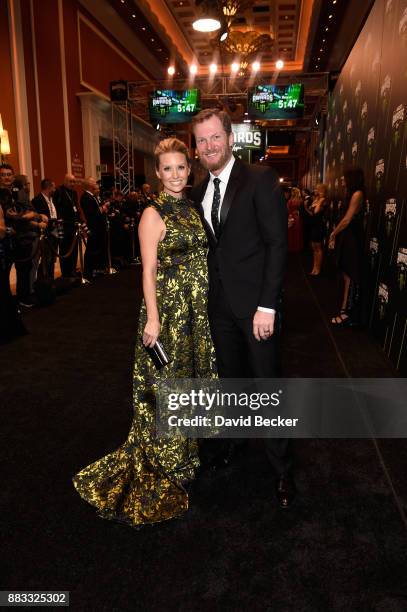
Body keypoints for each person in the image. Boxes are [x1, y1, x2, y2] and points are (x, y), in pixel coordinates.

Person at [73, 138, 216, 526]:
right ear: (157, 173)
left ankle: (185, 452)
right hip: (167, 313)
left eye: (181, 168)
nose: (174, 175)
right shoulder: (153, 214)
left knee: (186, 378)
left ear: (190, 170)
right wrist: (152, 318)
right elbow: (148, 271)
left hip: (193, 314)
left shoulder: (191, 207)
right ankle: (166, 458)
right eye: (167, 169)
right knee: (167, 382)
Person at [190, 108, 294, 508]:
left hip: (256, 309)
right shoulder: (199, 191)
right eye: (202, 140)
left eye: (215, 137)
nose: (210, 146)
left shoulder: (259, 179)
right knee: (231, 382)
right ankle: (234, 443)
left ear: (230, 138)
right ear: (196, 148)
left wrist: (268, 304)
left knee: (268, 385)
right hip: (220, 309)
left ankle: (283, 470)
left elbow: (276, 244)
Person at [328, 168, 365, 326]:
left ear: (352, 178)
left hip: (352, 239)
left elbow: (347, 220)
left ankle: (347, 314)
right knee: (345, 275)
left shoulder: (357, 194)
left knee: (350, 275)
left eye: (344, 178)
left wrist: (333, 234)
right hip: (347, 237)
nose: (342, 180)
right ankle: (345, 310)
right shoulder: (351, 194)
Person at [80, 177, 108, 280]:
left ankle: (97, 270)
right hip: (93, 227)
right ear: (89, 185)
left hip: (99, 227)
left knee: (98, 249)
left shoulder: (93, 196)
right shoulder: (86, 197)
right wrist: (102, 208)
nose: (96, 185)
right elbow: (91, 214)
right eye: (94, 183)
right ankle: (89, 272)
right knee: (92, 250)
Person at [54, 174, 80, 279]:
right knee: (65, 250)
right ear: (65, 181)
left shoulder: (74, 193)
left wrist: (79, 220)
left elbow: (76, 207)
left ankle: (73, 269)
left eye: (74, 182)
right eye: (70, 181)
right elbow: (56, 207)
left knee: (74, 250)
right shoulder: (59, 191)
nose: (72, 184)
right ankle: (65, 273)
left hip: (74, 225)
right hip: (64, 226)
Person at [32, 179, 58, 281]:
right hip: (45, 234)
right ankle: (44, 282)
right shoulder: (37, 200)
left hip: (54, 233)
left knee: (51, 260)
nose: (55, 189)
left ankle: (51, 280)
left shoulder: (52, 199)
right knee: (46, 261)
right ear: (49, 187)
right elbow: (37, 218)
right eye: (54, 187)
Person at [307, 183, 327, 275]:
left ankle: (318, 269)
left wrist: (318, 200)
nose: (315, 190)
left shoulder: (323, 200)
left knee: (318, 248)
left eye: (317, 189)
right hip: (313, 225)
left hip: (319, 226)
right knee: (314, 247)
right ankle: (314, 267)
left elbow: (316, 211)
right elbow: (311, 212)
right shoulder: (316, 199)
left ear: (321, 190)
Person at [287, 187, 303, 252]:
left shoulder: (290, 200)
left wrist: (289, 215)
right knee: (297, 232)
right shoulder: (300, 200)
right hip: (297, 218)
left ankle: (291, 246)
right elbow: (301, 210)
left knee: (291, 232)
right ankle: (297, 246)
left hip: (291, 217)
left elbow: (287, 210)